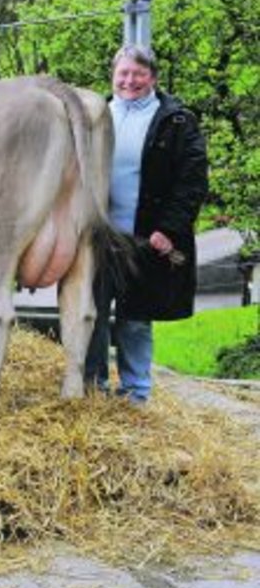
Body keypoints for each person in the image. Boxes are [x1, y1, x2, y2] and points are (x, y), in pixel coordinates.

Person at [85, 43, 208, 405]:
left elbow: (192, 182)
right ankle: (93, 388)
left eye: (139, 73)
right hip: (97, 237)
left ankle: (135, 394)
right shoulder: (95, 116)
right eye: (123, 73)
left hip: (144, 239)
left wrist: (169, 229)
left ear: (153, 77)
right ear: (113, 76)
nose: (130, 81)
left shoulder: (177, 121)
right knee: (89, 314)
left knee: (135, 319)